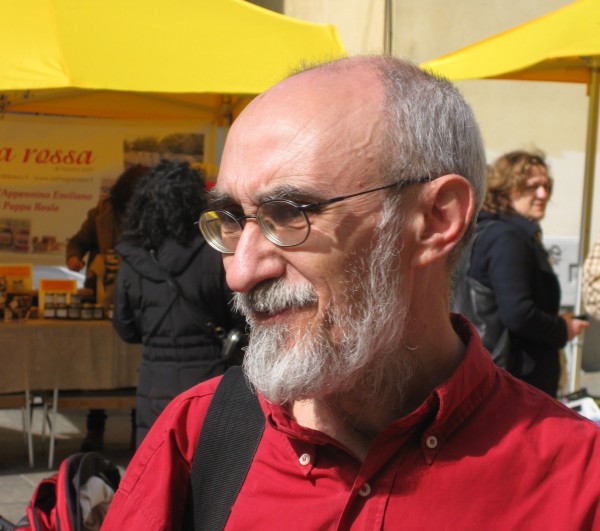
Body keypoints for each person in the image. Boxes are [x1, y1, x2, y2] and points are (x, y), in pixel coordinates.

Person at [103, 57, 600, 530]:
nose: (241, 272)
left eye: (290, 213)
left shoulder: (577, 479)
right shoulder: (198, 435)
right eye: (231, 219)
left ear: (436, 219)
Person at [112, 160, 244, 447]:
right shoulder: (215, 251)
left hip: (155, 386)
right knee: (212, 464)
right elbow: (239, 315)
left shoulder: (134, 258)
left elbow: (125, 329)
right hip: (212, 382)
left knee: (158, 464)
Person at [455, 151, 588, 397]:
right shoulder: (507, 238)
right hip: (515, 382)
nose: (543, 194)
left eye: (547, 186)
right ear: (506, 189)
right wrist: (562, 328)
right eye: (532, 186)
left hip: (496, 376)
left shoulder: (487, 231)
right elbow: (518, 314)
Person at [65, 164, 148, 451]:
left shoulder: (151, 214)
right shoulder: (100, 214)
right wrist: (74, 257)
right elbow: (78, 242)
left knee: (135, 364)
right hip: (102, 294)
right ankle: (95, 427)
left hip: (137, 296)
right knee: (98, 364)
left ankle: (137, 428)